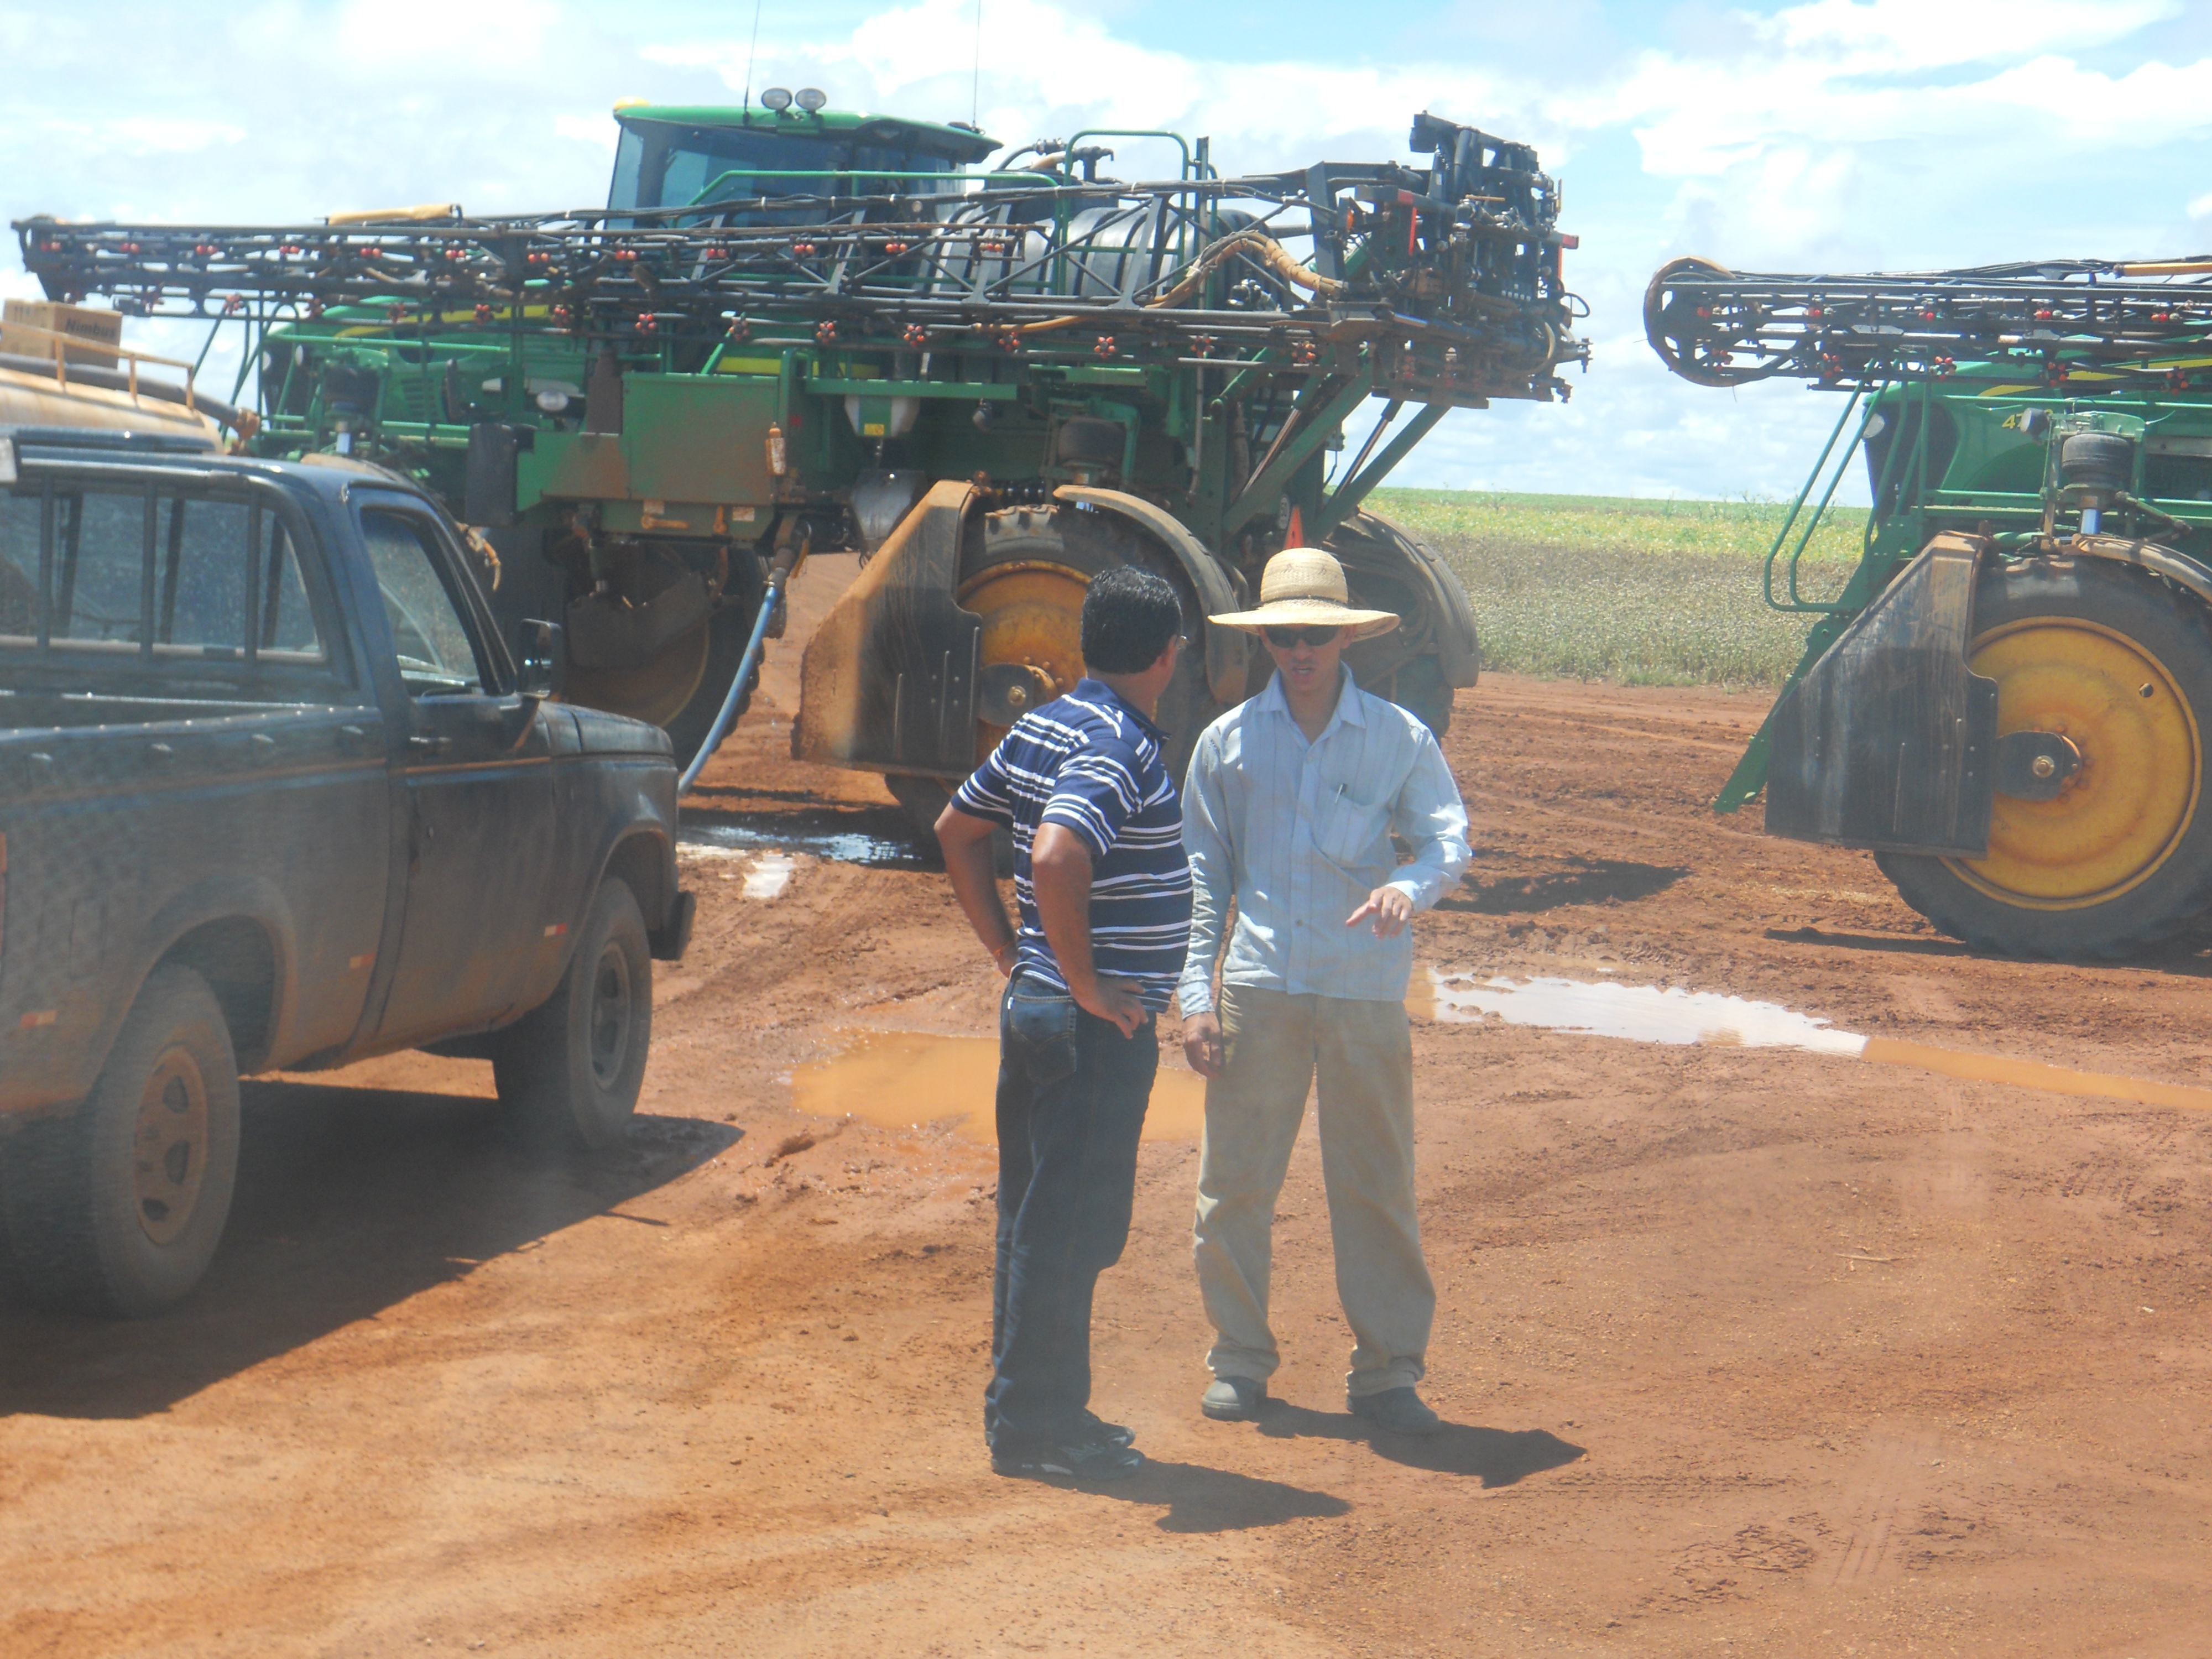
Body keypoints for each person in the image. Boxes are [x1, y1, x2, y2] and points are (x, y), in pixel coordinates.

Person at [1177, 545, 1470, 1435]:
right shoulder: (1225, 743)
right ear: (1266, 641)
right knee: (1232, 1189)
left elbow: (1448, 842)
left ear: (1345, 639)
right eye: (1284, 637)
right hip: (1260, 988)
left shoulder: (1398, 737)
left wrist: (1407, 889)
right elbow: (1204, 876)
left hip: (1363, 993)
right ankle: (1239, 1362)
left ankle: (1388, 1373)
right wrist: (1197, 992)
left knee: (1376, 1185)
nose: (1299, 652)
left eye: (1315, 635)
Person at [935, 565, 1192, 1481]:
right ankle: (1037, 1428)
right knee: (1066, 1228)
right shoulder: (1117, 744)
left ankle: (1041, 1415)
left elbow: (957, 829)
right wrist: (1085, 987)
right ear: (1167, 655)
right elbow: (1055, 853)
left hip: (1042, 1009)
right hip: (1085, 1029)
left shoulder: (1044, 724)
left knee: (1037, 1219)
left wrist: (1017, 959)